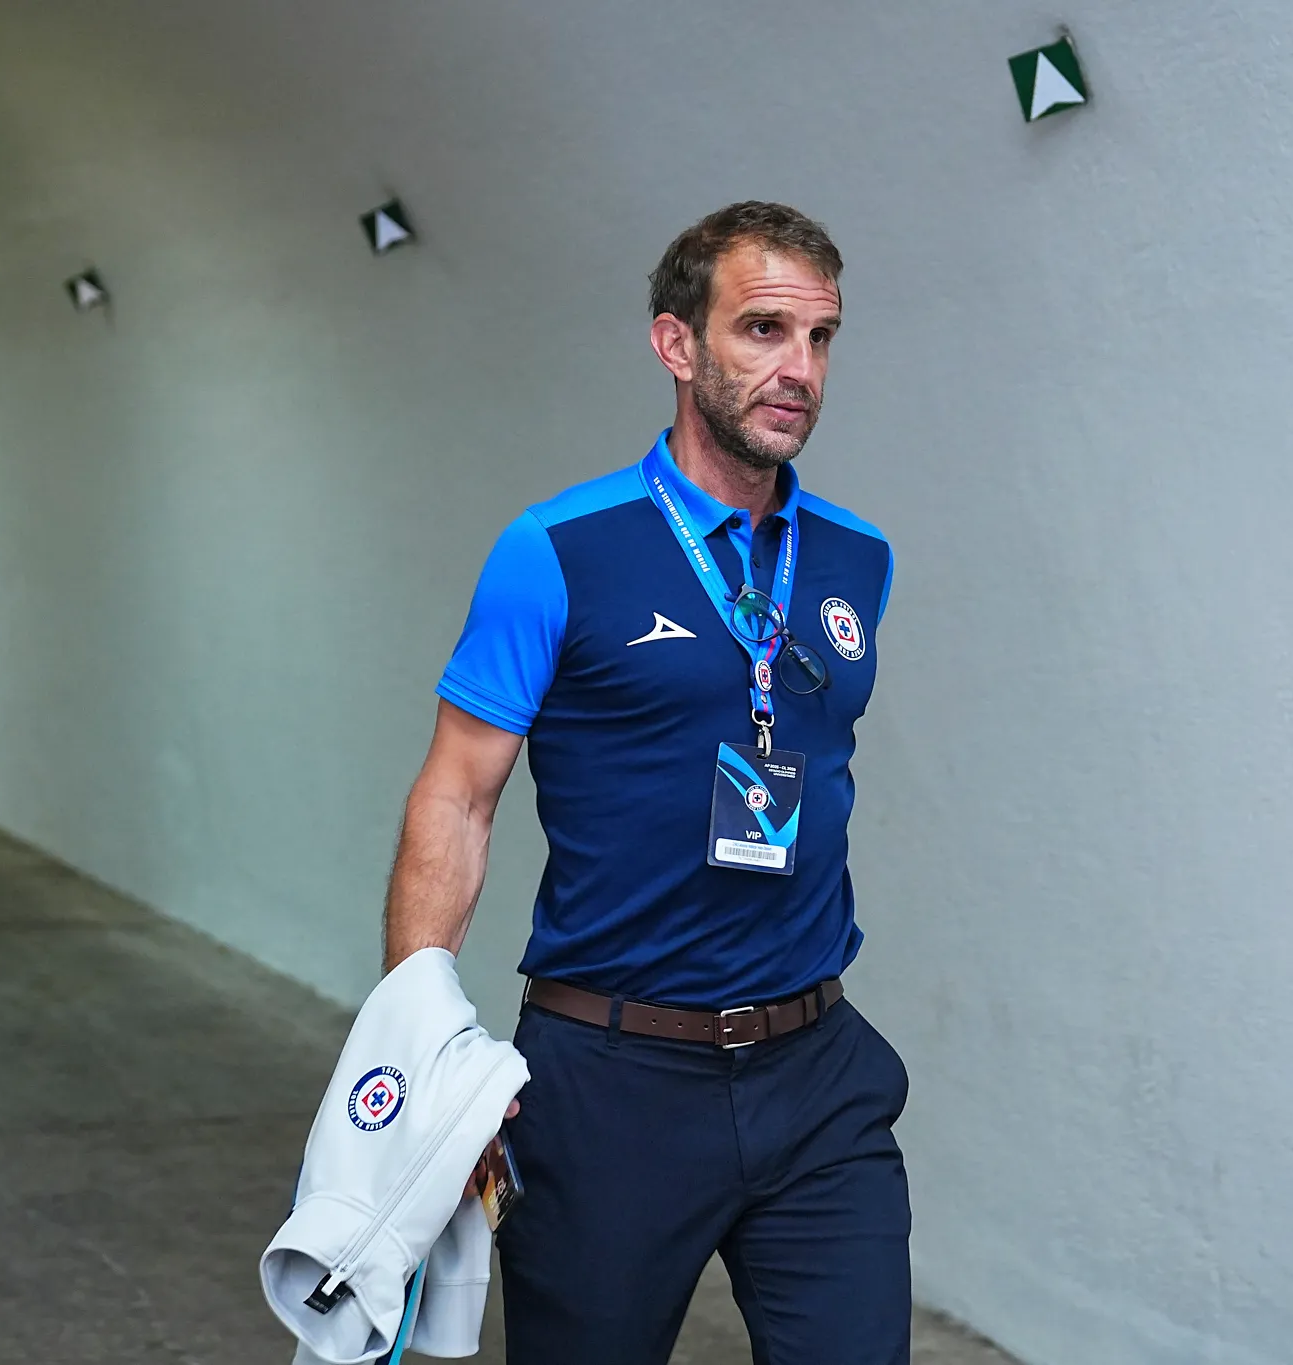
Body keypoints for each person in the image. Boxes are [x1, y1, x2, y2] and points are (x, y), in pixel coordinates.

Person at [381, 201, 910, 1365]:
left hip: (815, 1070)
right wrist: (416, 1034)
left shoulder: (855, 558)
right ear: (675, 344)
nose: (798, 369)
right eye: (762, 329)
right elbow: (457, 795)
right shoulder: (557, 551)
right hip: (611, 1078)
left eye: (819, 338)